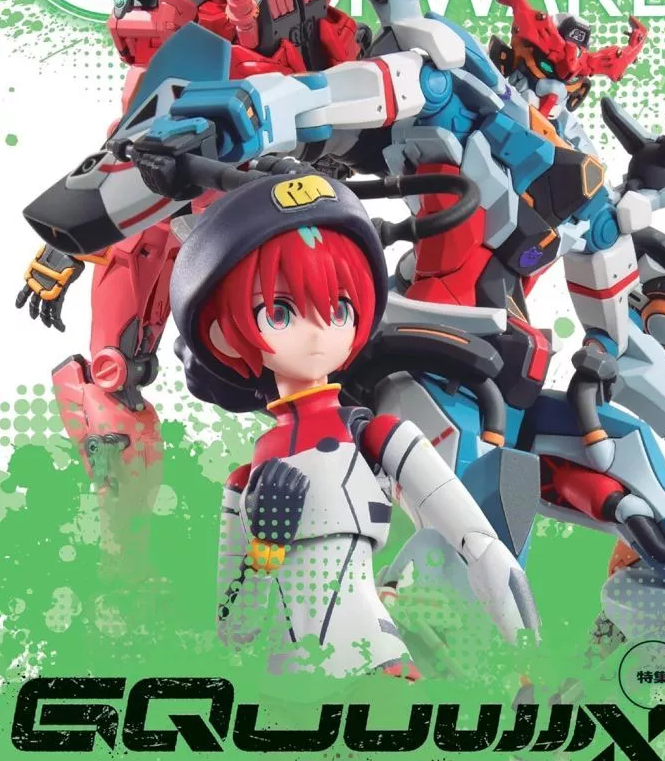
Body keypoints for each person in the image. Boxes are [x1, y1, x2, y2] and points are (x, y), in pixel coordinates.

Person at [168, 169, 539, 677]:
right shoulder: (244, 483)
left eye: (339, 308)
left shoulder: (376, 437)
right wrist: (265, 549)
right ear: (224, 335)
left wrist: (526, 664)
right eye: (279, 312)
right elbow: (237, 628)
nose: (319, 331)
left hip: (375, 662)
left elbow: (482, 548)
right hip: (286, 686)